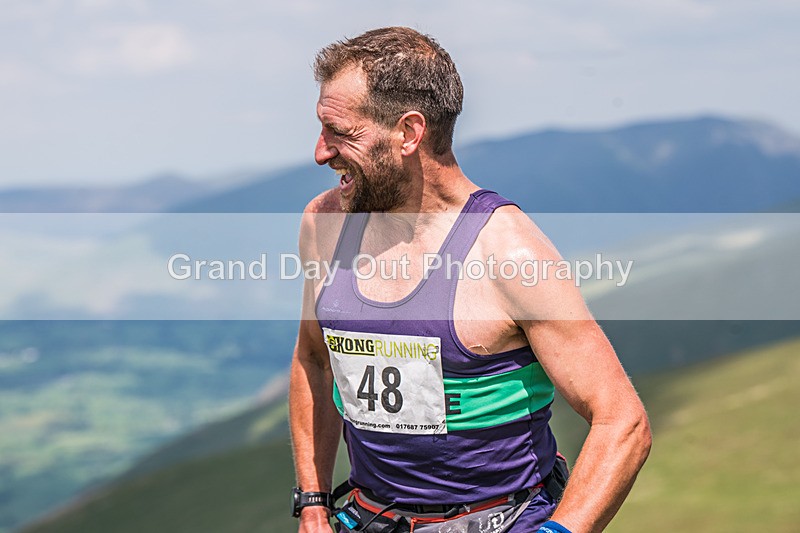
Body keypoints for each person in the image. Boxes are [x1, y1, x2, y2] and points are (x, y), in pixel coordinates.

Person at [289, 26, 651, 533]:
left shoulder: (508, 252)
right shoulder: (325, 223)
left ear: (409, 133)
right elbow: (313, 359)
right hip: (367, 517)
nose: (321, 152)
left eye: (340, 132)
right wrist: (313, 503)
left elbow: (623, 421)